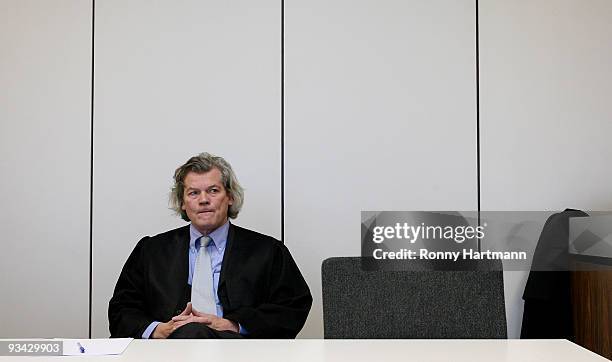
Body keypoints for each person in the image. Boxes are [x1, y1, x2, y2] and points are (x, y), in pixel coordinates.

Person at [108, 153, 312, 339]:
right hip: (165, 348)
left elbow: (292, 306)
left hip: (240, 350)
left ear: (230, 197)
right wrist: (158, 330)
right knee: (189, 332)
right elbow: (122, 309)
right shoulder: (151, 251)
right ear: (182, 202)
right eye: (193, 193)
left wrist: (232, 324)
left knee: (194, 331)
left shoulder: (268, 251)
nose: (204, 200)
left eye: (213, 191)